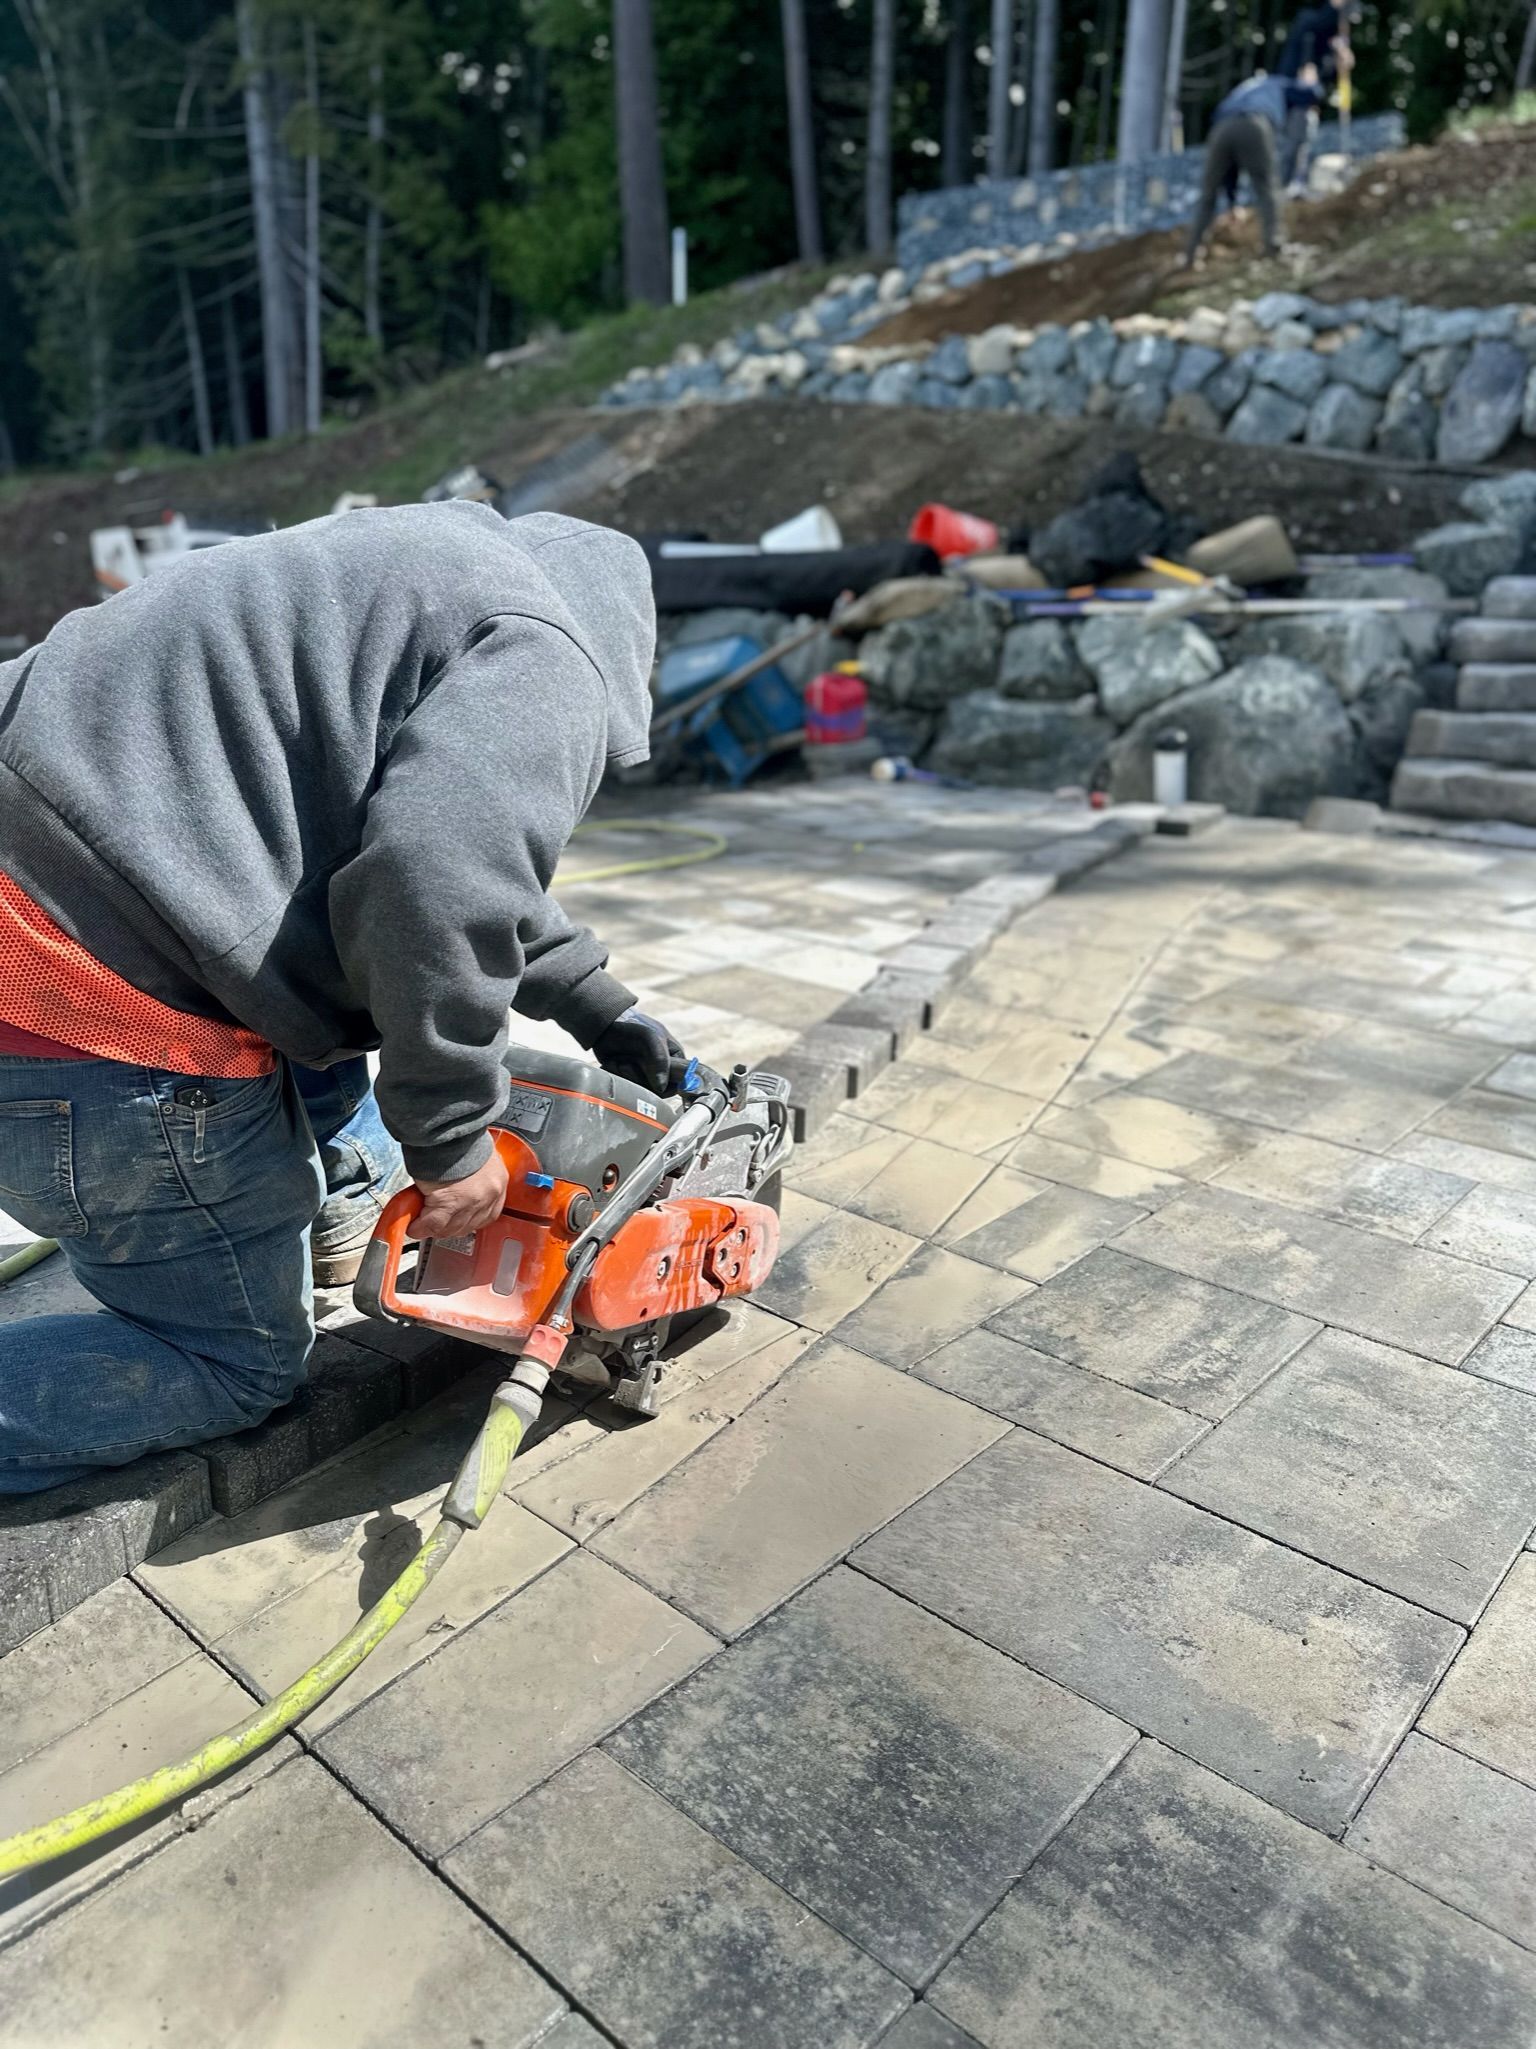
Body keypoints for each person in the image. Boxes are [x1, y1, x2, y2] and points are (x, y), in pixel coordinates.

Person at [0, 503, 686, 1492]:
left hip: (51, 860)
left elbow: (419, 863)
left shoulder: (419, 572)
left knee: (337, 1011)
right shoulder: (549, 660)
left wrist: (598, 1005)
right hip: (64, 987)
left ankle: (329, 1213)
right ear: (623, 657)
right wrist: (450, 1141)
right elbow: (432, 882)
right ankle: (246, 1277)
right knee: (232, 1364)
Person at [1184, 68, 1322, 264]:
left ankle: (1191, 254)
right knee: (1266, 187)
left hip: (1220, 129)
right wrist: (1313, 81)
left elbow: (1229, 170)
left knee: (1208, 194)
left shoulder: (1244, 89)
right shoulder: (1277, 82)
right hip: (1254, 123)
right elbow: (1311, 94)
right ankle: (1273, 247)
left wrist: (1232, 202)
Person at [1275, 1, 1359, 187]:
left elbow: (1328, 73)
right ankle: (1284, 186)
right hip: (1292, 99)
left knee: (1304, 140)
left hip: (1309, 102)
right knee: (1292, 143)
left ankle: (1296, 183)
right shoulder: (1309, 23)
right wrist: (1307, 64)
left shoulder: (1331, 42)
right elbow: (1310, 33)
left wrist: (1341, 61)